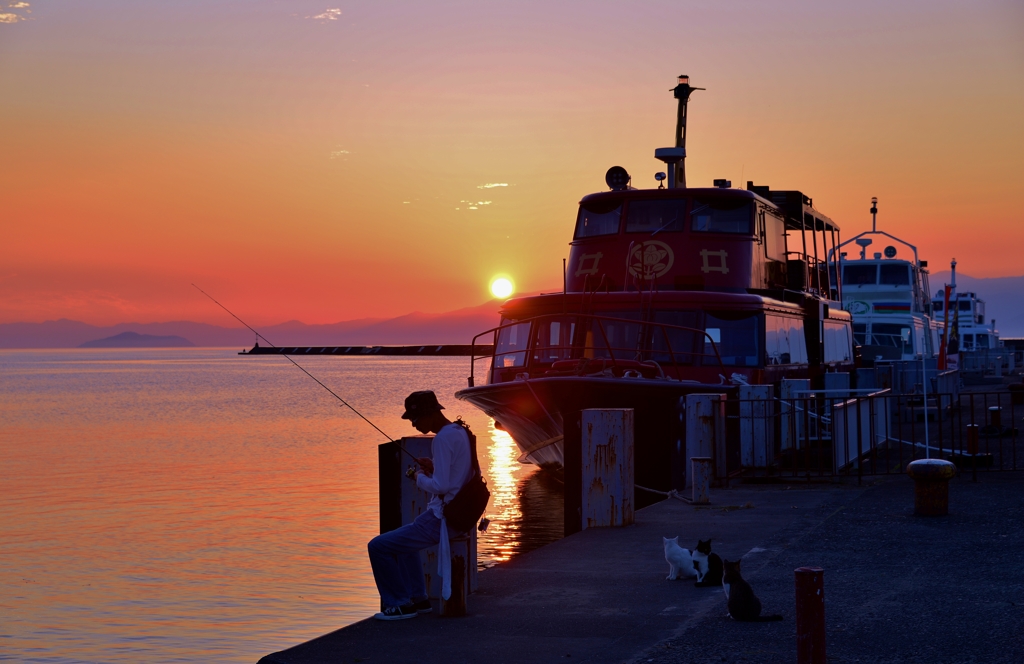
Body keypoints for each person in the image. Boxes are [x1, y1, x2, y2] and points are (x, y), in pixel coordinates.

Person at [366, 390, 473, 620]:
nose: (413, 424)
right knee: (404, 542)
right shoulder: (458, 431)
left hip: (442, 518)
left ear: (430, 414)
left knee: (378, 547)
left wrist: (417, 477)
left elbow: (442, 486)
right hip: (457, 513)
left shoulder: (442, 438)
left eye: (415, 419)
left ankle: (400, 605)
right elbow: (457, 473)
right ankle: (419, 599)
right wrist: (433, 465)